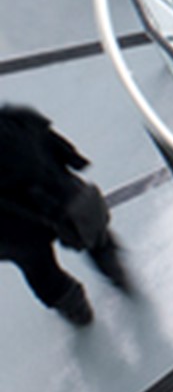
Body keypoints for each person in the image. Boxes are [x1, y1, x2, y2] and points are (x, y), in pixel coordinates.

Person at [0, 103, 128, 326]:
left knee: (37, 266)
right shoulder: (15, 122)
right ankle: (108, 261)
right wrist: (70, 159)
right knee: (89, 231)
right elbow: (49, 140)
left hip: (12, 228)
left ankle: (72, 303)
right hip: (55, 192)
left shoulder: (15, 122)